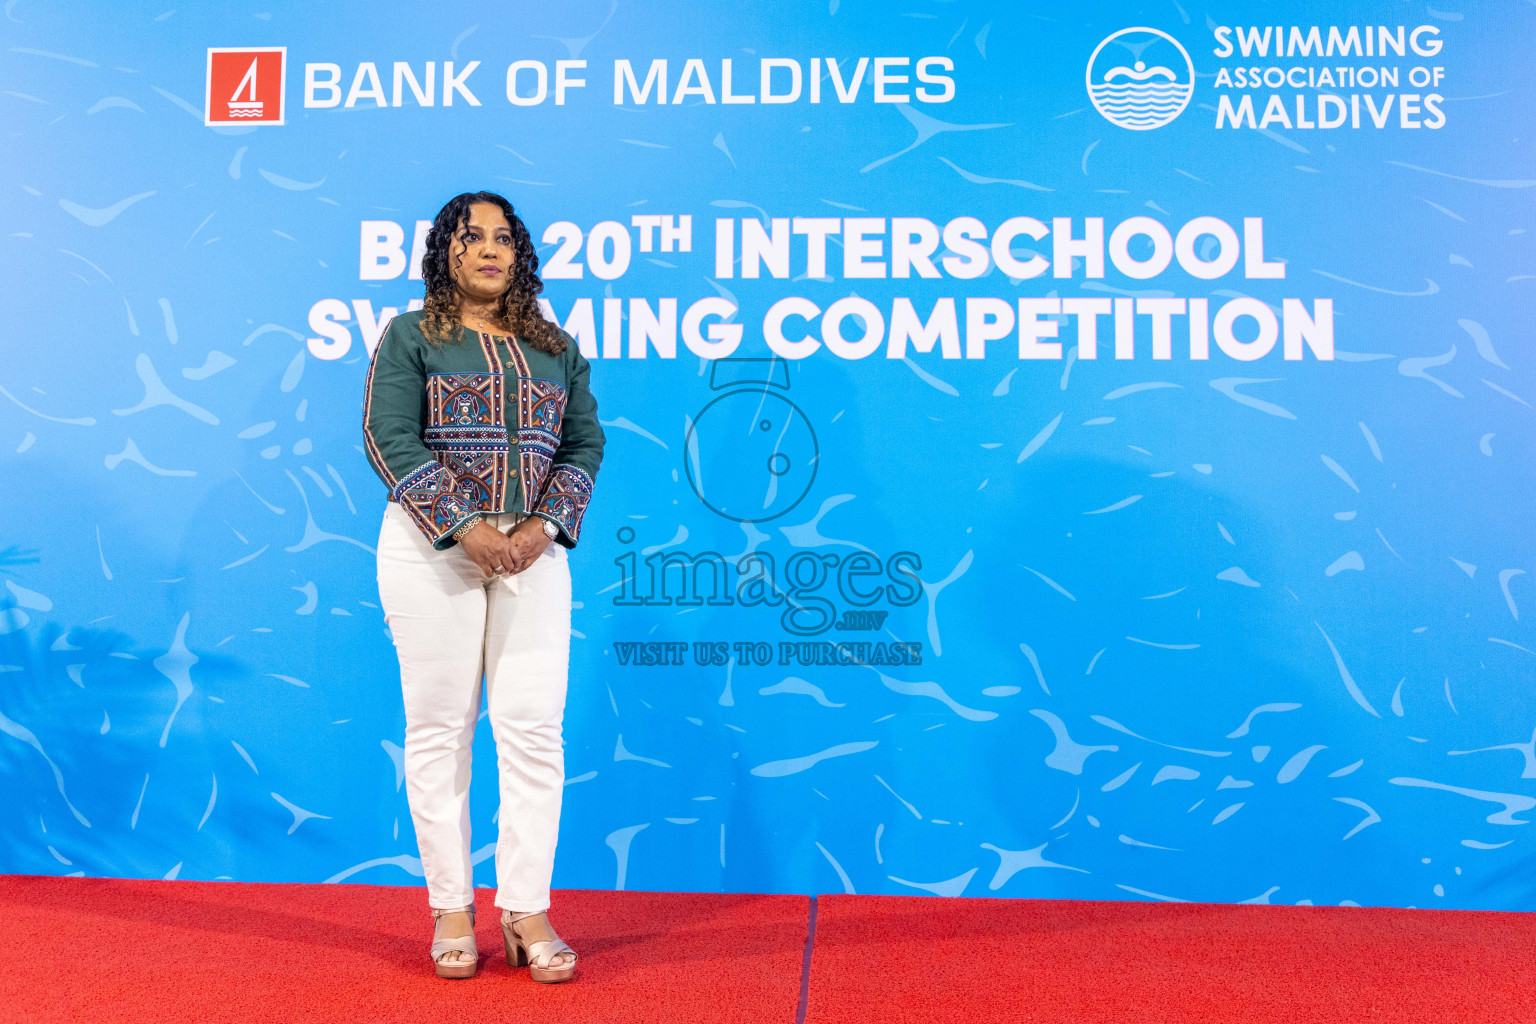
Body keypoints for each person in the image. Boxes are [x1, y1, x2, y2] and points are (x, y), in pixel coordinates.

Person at [362, 191, 604, 982]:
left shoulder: (554, 346)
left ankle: (526, 908)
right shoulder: (412, 335)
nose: (491, 250)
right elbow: (386, 434)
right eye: (474, 238)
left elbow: (584, 441)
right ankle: (452, 910)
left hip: (535, 553)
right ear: (446, 252)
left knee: (534, 731)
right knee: (441, 730)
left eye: (505, 239)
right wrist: (467, 527)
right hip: (434, 551)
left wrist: (540, 530)